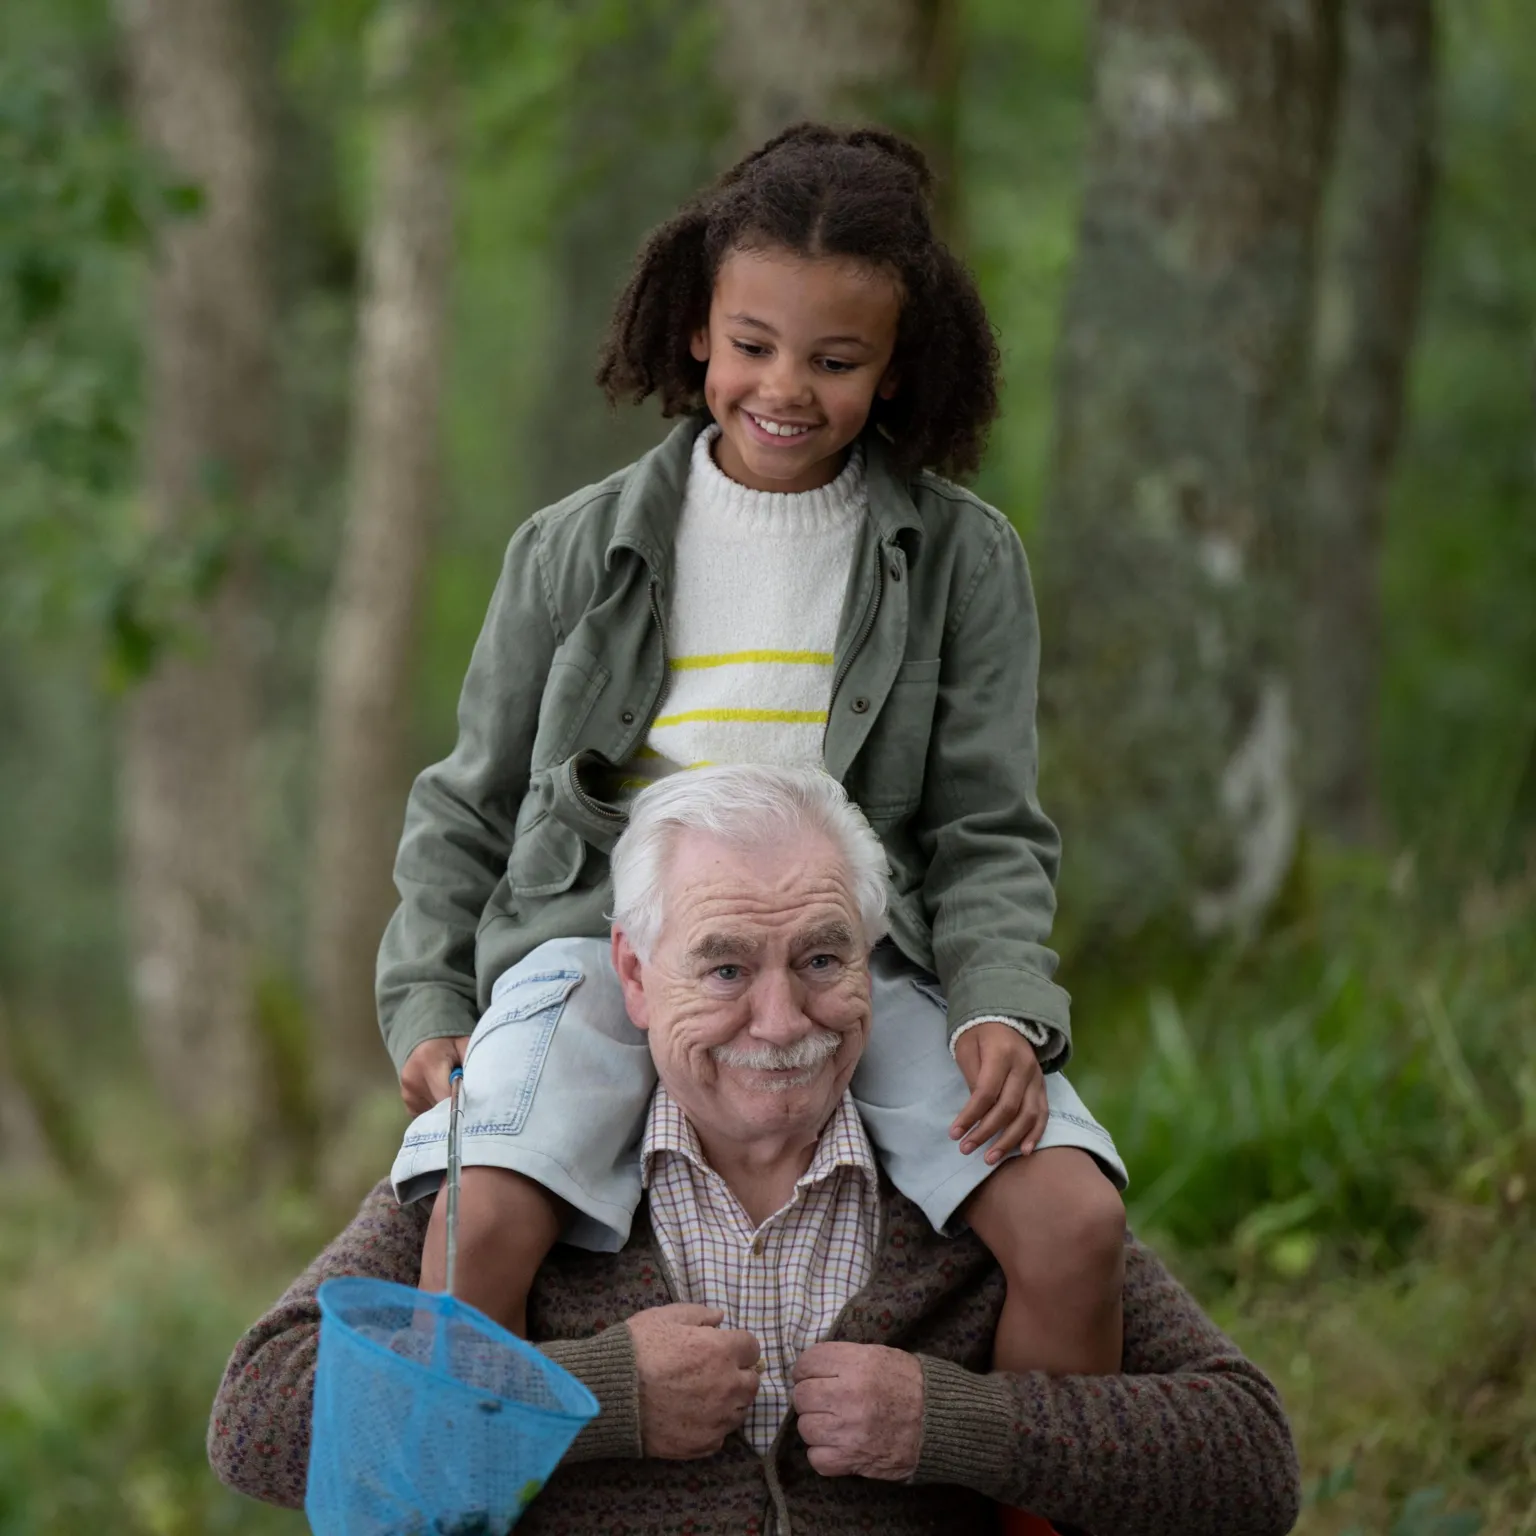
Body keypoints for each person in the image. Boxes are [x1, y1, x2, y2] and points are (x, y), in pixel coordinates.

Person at [381, 122, 1129, 1399]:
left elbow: (987, 827)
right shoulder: (570, 550)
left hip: (858, 957)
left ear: (895, 369)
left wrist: (1001, 1001)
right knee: (478, 1224)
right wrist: (430, 1000)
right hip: (595, 940)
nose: (786, 388)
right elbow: (468, 799)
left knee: (1075, 1223)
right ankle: (454, 1479)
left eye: (836, 361)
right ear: (695, 331)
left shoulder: (965, 559)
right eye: (752, 346)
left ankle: (1021, 1487)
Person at [210, 768, 1301, 1535]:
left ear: (874, 959)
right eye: (725, 968)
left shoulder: (967, 1178)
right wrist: (597, 1398)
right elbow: (260, 1417)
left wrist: (953, 1425)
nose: (781, 1023)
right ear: (633, 976)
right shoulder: (518, 1160)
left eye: (823, 959)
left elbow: (1252, 1466)